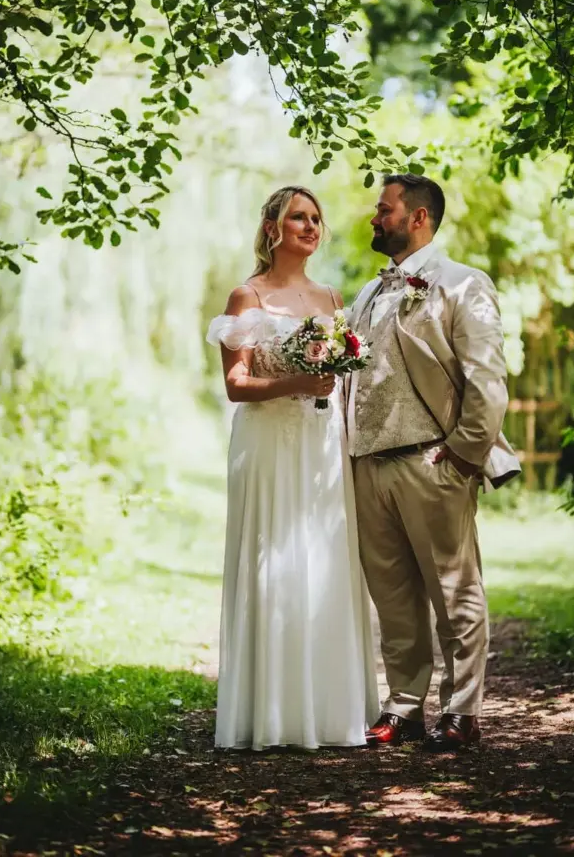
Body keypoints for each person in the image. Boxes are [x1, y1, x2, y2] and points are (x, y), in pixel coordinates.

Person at [348, 173, 520, 752]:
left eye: (384, 209)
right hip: (368, 465)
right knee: (392, 597)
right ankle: (404, 707)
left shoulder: (463, 285)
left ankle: (463, 710)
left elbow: (488, 380)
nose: (374, 218)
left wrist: (464, 455)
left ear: (417, 217)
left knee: (454, 591)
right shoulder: (367, 296)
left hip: (433, 461)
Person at [207, 185, 378, 750]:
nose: (309, 226)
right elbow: (236, 386)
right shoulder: (247, 297)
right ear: (272, 228)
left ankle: (328, 711)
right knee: (273, 561)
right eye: (297, 217)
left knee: (326, 561)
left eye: (315, 218)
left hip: (322, 445)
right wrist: (297, 383)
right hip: (269, 445)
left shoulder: (331, 298)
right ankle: (273, 713)